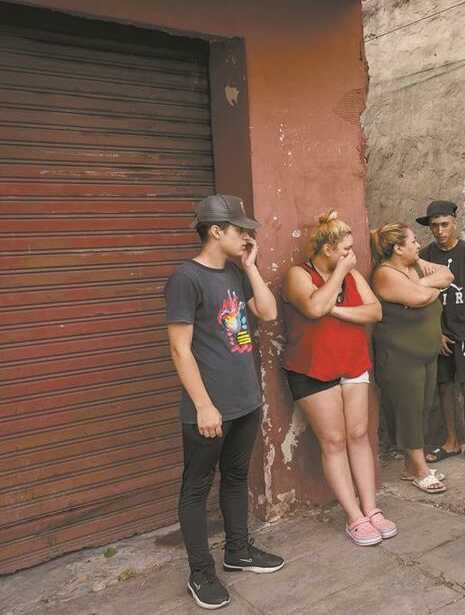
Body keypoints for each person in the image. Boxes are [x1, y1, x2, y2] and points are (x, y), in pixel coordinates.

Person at [164, 195, 284, 610]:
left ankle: (239, 551)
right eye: (240, 229)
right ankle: (201, 571)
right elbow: (180, 350)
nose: (247, 235)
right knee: (196, 487)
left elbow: (266, 313)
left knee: (235, 477)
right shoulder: (186, 278)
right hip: (209, 407)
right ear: (217, 231)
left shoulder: (235, 272)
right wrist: (202, 405)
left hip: (245, 399)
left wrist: (251, 267)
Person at [282, 210, 395, 547]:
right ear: (327, 250)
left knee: (359, 434)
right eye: (345, 250)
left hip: (353, 364)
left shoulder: (354, 277)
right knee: (333, 441)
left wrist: (336, 309)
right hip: (312, 369)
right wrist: (338, 277)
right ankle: (353, 516)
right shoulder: (297, 275)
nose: (351, 256)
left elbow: (375, 312)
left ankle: (371, 508)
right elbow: (313, 308)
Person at [370, 223, 454, 494]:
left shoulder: (414, 266)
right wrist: (427, 290)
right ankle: (420, 470)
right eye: (413, 241)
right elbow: (419, 298)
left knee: (422, 408)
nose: (418, 245)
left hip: (425, 354)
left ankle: (410, 466)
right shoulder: (385, 274)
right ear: (398, 248)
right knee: (409, 411)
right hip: (400, 357)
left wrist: (420, 283)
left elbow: (447, 275)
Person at [416, 201, 465, 468]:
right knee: (444, 387)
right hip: (439, 332)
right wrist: (435, 333)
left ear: (454, 223)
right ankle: (451, 442)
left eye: (444, 224)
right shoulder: (424, 255)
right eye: (434, 225)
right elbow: (421, 297)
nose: (439, 230)